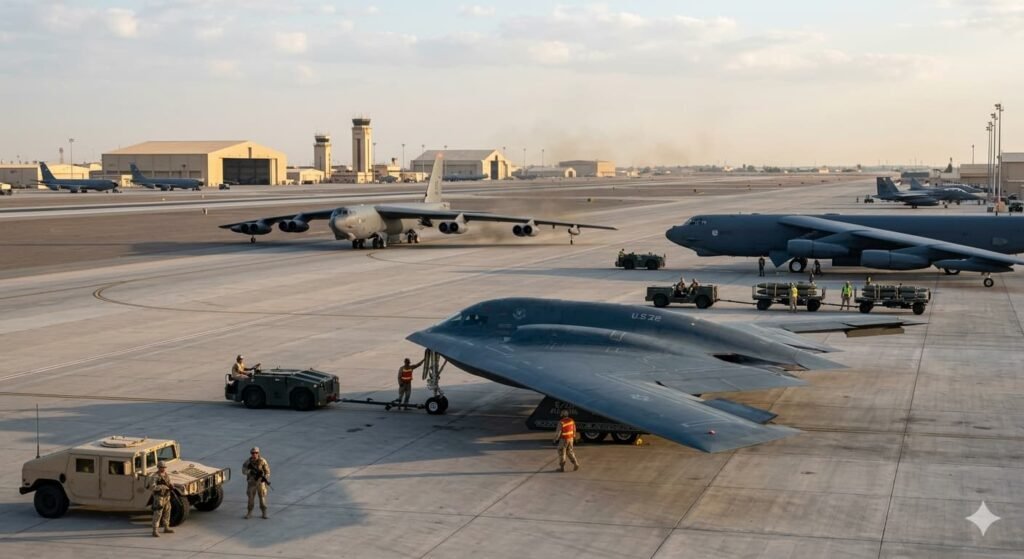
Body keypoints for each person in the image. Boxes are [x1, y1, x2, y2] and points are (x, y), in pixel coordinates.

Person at [146, 461, 174, 537]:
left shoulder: (166, 475)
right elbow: (152, 487)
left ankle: (166, 527)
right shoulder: (155, 476)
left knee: (167, 511)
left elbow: (169, 482)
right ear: (158, 467)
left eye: (164, 467)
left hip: (166, 496)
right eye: (162, 467)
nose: (163, 469)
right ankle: (155, 530)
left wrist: (171, 485)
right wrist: (162, 487)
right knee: (158, 513)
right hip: (159, 497)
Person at [243, 447, 270, 519]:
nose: (254, 454)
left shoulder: (262, 461)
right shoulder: (248, 462)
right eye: (253, 453)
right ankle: (249, 512)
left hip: (260, 483)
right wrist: (250, 471)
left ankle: (264, 513)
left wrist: (264, 477)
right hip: (251, 483)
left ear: (258, 453)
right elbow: (244, 471)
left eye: (256, 453)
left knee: (262, 498)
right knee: (250, 499)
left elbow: (267, 472)